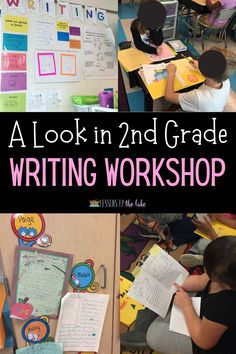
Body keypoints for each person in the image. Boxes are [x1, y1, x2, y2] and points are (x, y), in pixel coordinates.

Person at [147, 236, 236, 354]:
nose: (205, 272)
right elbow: (200, 281)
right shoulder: (226, 272)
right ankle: (172, 309)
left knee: (154, 335)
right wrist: (170, 281)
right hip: (205, 309)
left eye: (207, 270)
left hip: (207, 339)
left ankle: (169, 313)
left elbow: (203, 342)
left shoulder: (224, 306)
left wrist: (187, 307)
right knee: (182, 291)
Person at [164, 47, 236, 112]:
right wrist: (200, 67)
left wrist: (171, 73)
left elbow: (168, 96)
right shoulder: (225, 80)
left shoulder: (198, 97)